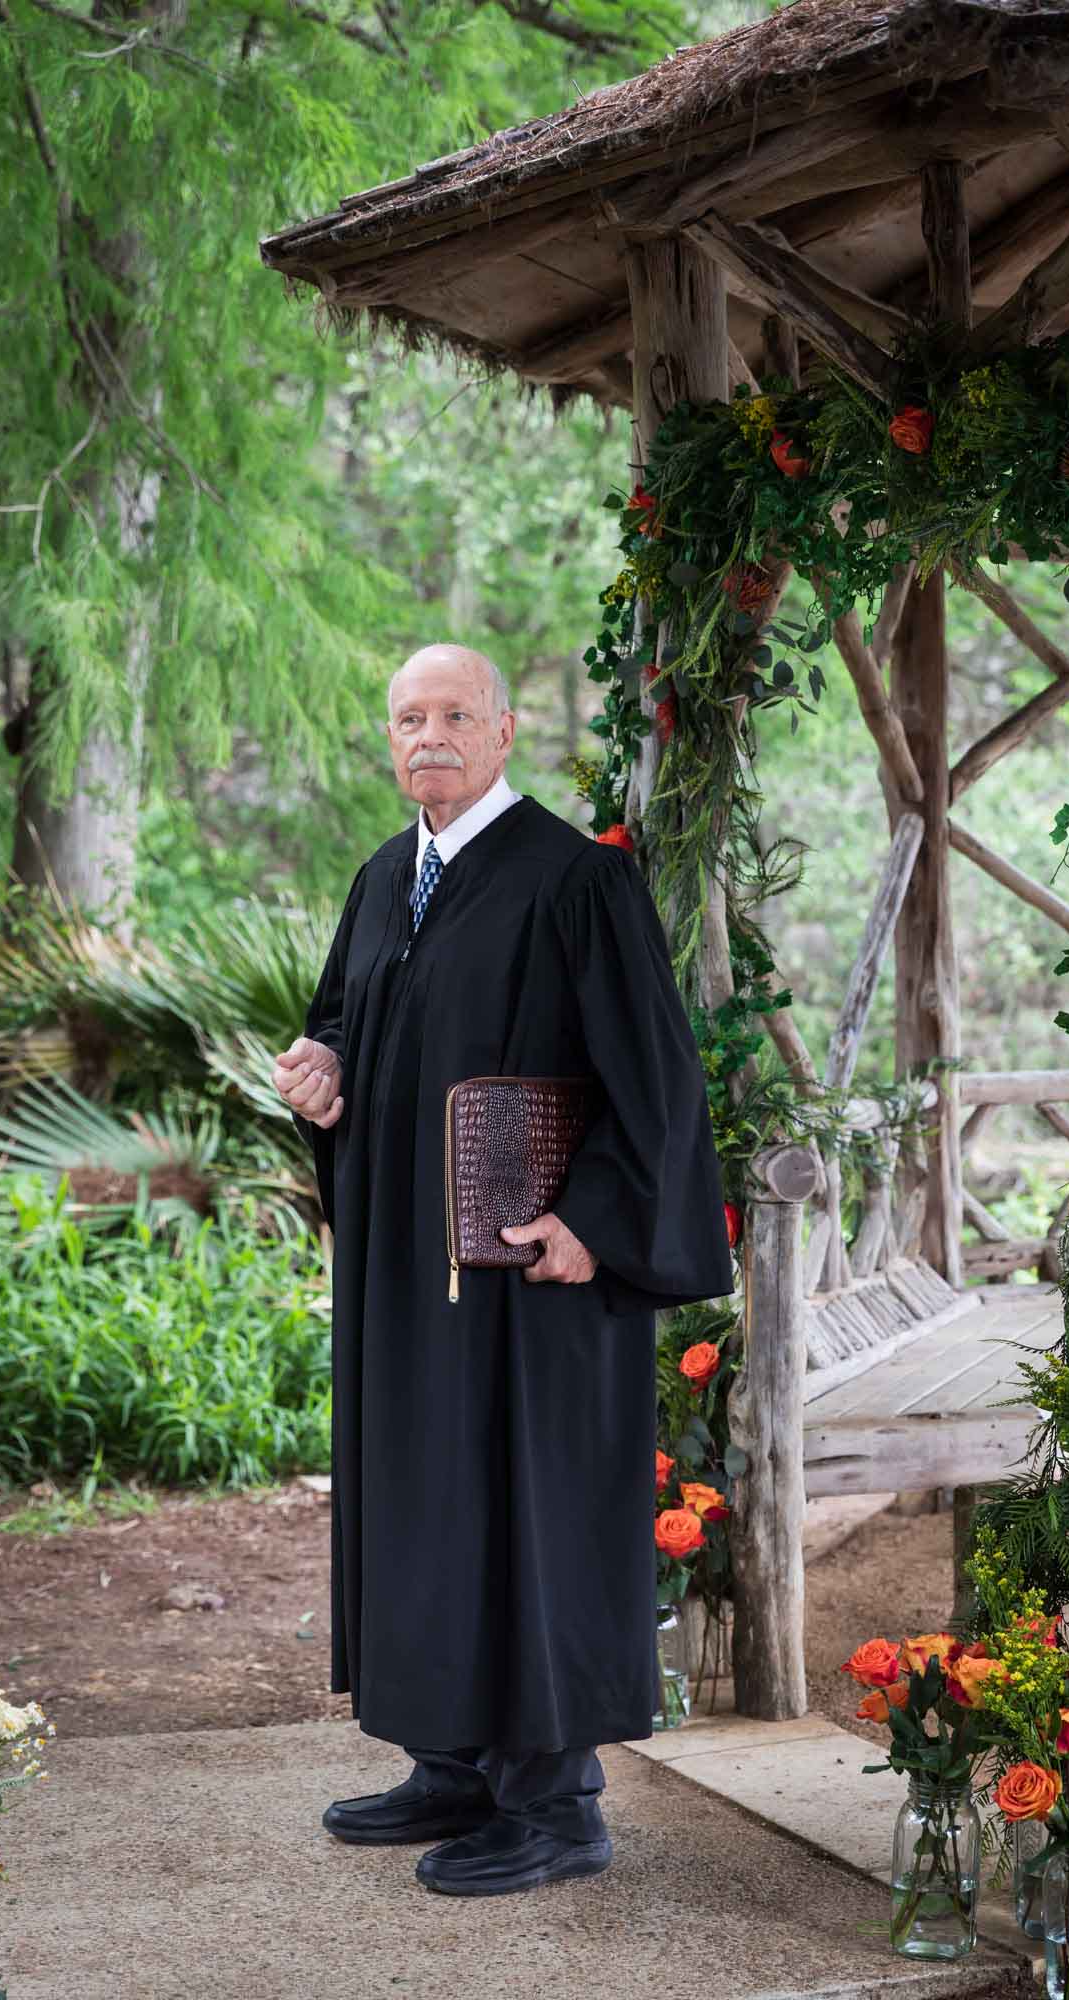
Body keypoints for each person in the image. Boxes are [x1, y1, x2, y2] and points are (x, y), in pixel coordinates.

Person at [272, 642, 734, 1898]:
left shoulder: (575, 879)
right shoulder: (383, 880)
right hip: (405, 1268)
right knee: (426, 1498)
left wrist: (594, 1218)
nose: (428, 734)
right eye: (407, 717)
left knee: (528, 1503)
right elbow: (344, 1027)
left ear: (504, 730)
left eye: (453, 713)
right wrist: (320, 1071)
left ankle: (554, 1799)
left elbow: (658, 1079)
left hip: (533, 1273)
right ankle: (455, 1762)